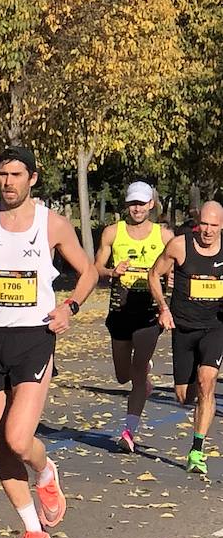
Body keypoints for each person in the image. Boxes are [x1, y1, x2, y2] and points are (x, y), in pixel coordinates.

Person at [0, 146, 97, 538]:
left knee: (18, 439)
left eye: (16, 174)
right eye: (2, 174)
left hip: (34, 337)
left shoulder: (52, 223)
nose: (8, 182)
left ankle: (46, 470)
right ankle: (34, 531)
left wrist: (70, 308)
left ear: (33, 178)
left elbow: (87, 272)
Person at [96, 181, 171, 453]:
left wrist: (168, 299)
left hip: (149, 314)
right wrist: (112, 272)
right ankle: (145, 378)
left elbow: (176, 267)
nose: (137, 208)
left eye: (142, 203)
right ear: (126, 205)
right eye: (132, 203)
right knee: (121, 376)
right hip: (120, 310)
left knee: (137, 371)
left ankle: (128, 431)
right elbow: (96, 269)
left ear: (151, 204)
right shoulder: (113, 233)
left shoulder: (164, 236)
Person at [149, 200, 223, 474]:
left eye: (214, 225)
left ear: (221, 226)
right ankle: (191, 395)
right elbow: (154, 275)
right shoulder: (180, 246)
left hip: (215, 327)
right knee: (185, 397)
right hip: (183, 327)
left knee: (207, 380)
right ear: (197, 223)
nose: (208, 230)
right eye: (204, 224)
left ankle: (197, 450)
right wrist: (164, 309)